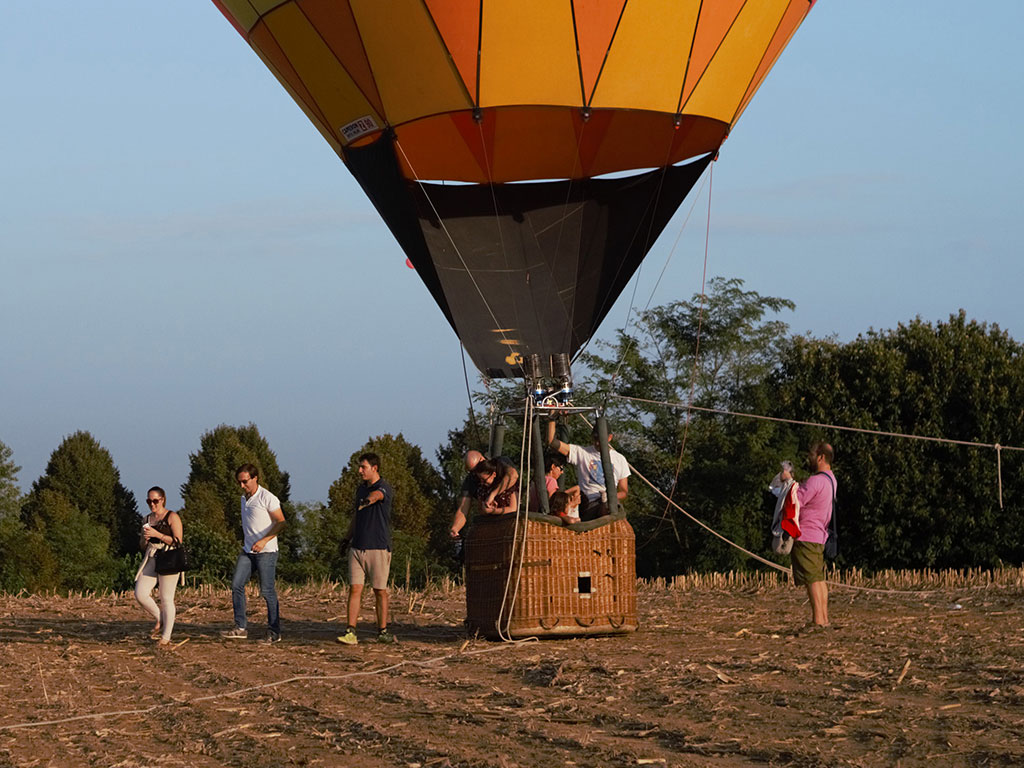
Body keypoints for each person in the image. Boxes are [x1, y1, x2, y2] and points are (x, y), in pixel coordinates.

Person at [222, 463, 286, 643]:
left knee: (267, 591)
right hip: (247, 551)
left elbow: (281, 522)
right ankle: (240, 627)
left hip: (266, 552)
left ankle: (274, 632)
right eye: (239, 482)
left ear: (255, 478)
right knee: (236, 585)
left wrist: (264, 540)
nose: (242, 486)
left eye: (245, 481)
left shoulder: (267, 497)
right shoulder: (244, 499)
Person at [337, 453, 396, 645]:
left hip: (377, 547)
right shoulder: (360, 490)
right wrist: (346, 539)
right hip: (358, 547)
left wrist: (368, 500)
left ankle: (382, 630)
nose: (360, 470)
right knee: (355, 588)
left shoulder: (383, 488)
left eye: (363, 467)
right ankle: (350, 631)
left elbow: (377, 496)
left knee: (380, 590)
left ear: (375, 468)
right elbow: (357, 516)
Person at [783, 442, 837, 628]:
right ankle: (824, 619)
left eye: (812, 455)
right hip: (819, 535)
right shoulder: (831, 479)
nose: (810, 458)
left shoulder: (816, 481)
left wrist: (788, 481)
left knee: (812, 580)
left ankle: (818, 621)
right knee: (818, 578)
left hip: (807, 535)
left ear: (821, 457)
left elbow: (796, 500)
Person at [546, 421, 630, 521]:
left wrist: (611, 496)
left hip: (610, 503)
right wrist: (552, 419)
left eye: (601, 439)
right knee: (602, 509)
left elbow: (624, 491)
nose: (597, 442)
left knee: (611, 508)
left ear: (610, 438)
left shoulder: (620, 459)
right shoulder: (583, 453)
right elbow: (552, 442)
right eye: (595, 438)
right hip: (589, 503)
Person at [134, 486, 183, 647]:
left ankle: (166, 637)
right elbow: (142, 544)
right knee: (140, 593)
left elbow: (178, 541)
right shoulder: (147, 519)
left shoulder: (172, 516)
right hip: (152, 556)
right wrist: (145, 540)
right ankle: (160, 617)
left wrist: (158, 535)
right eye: (149, 501)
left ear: (162, 499)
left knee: (166, 597)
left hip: (169, 557)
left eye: (155, 500)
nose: (152, 504)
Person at [448, 450, 519, 538]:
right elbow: (463, 508)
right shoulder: (474, 481)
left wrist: (492, 496)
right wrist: (455, 529)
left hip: (509, 526)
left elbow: (513, 475)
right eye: (472, 472)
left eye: (477, 469)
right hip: (490, 527)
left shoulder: (500, 463)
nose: (475, 474)